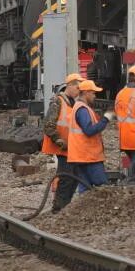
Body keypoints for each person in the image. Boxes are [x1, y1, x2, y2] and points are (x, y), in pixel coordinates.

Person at [41, 73, 83, 212]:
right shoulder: (58, 101)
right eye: (77, 87)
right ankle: (59, 207)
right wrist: (59, 140)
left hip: (72, 148)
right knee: (66, 178)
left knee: (73, 177)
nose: (79, 91)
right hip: (63, 147)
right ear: (69, 86)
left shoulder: (73, 103)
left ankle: (64, 206)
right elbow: (48, 125)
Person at [67, 80, 114, 189]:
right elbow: (89, 130)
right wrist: (106, 119)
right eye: (93, 93)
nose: (95, 96)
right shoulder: (82, 110)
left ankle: (84, 206)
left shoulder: (79, 107)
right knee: (103, 188)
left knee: (85, 189)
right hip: (88, 157)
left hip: (80, 156)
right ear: (86, 93)